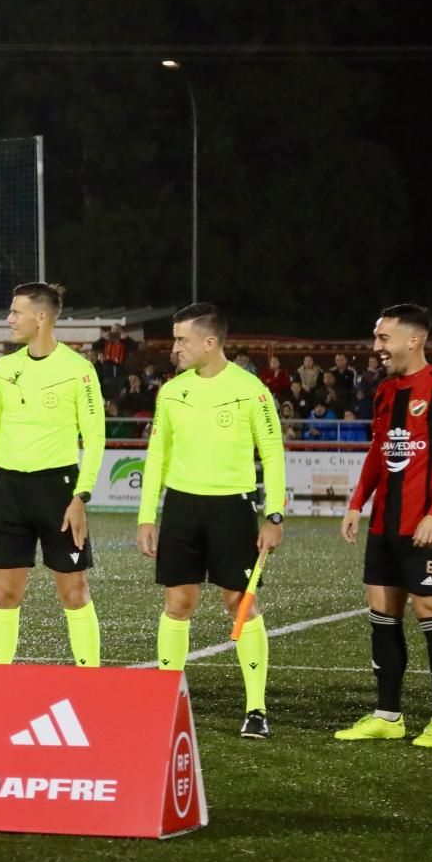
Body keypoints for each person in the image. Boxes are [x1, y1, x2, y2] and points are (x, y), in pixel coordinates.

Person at [136, 304, 285, 738]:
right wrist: (148, 515)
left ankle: (255, 708)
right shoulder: (171, 392)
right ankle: (167, 700)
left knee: (239, 604)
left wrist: (273, 514)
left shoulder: (250, 389)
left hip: (232, 508)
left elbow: (273, 454)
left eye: (182, 340)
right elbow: (158, 455)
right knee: (177, 604)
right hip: (182, 507)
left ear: (210, 342)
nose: (175, 348)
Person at [336, 304, 432, 748]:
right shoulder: (384, 392)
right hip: (385, 525)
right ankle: (388, 714)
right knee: (382, 615)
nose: (377, 348)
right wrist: (357, 503)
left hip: (428, 525)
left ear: (414, 339)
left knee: (430, 613)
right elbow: (379, 452)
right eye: (376, 338)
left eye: (384, 338)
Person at [0, 283, 105, 668]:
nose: (9, 319)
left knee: (74, 593)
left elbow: (95, 439)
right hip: (8, 490)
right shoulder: (1, 370)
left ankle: (90, 684)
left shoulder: (79, 371)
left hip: (59, 493)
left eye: (16, 312)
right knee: (4, 594)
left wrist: (82, 496)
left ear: (41, 318)